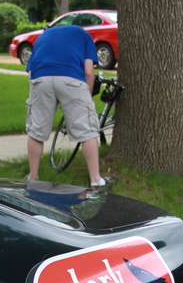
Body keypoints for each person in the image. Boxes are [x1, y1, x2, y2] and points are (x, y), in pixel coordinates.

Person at [25, 24, 116, 187]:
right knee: (87, 130)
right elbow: (89, 72)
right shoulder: (84, 35)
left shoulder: (41, 38)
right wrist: (87, 97)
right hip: (71, 79)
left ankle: (32, 177)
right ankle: (96, 180)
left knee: (36, 130)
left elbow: (31, 73)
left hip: (40, 80)